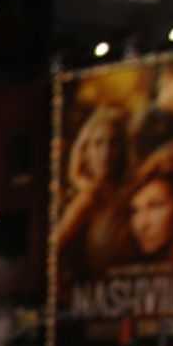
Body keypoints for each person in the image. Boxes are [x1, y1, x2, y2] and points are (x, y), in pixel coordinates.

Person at [53, 104, 128, 279]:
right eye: (98, 143)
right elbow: (54, 246)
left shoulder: (122, 190)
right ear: (85, 151)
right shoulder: (89, 196)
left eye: (113, 142)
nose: (106, 152)